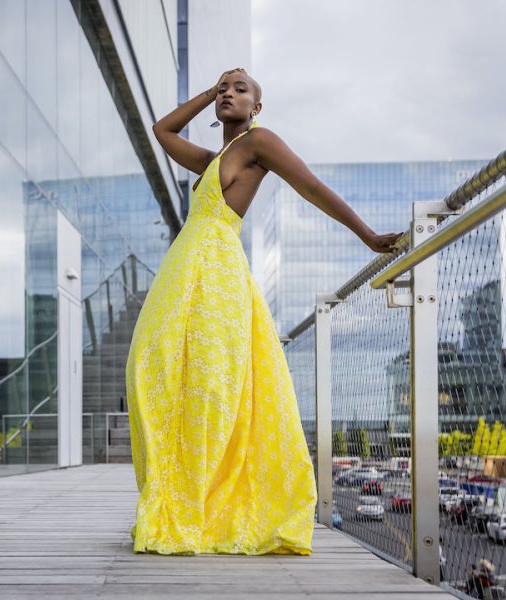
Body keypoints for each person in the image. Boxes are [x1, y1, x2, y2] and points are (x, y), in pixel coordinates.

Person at [125, 67, 404, 555]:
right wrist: (207, 92)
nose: (228, 93)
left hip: (217, 274)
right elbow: (162, 131)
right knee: (151, 370)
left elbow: (312, 187)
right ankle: (183, 496)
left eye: (240, 88)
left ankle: (207, 503)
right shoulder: (214, 159)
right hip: (182, 274)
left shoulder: (260, 143)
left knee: (212, 383)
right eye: (223, 89)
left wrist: (367, 237)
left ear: (257, 106)